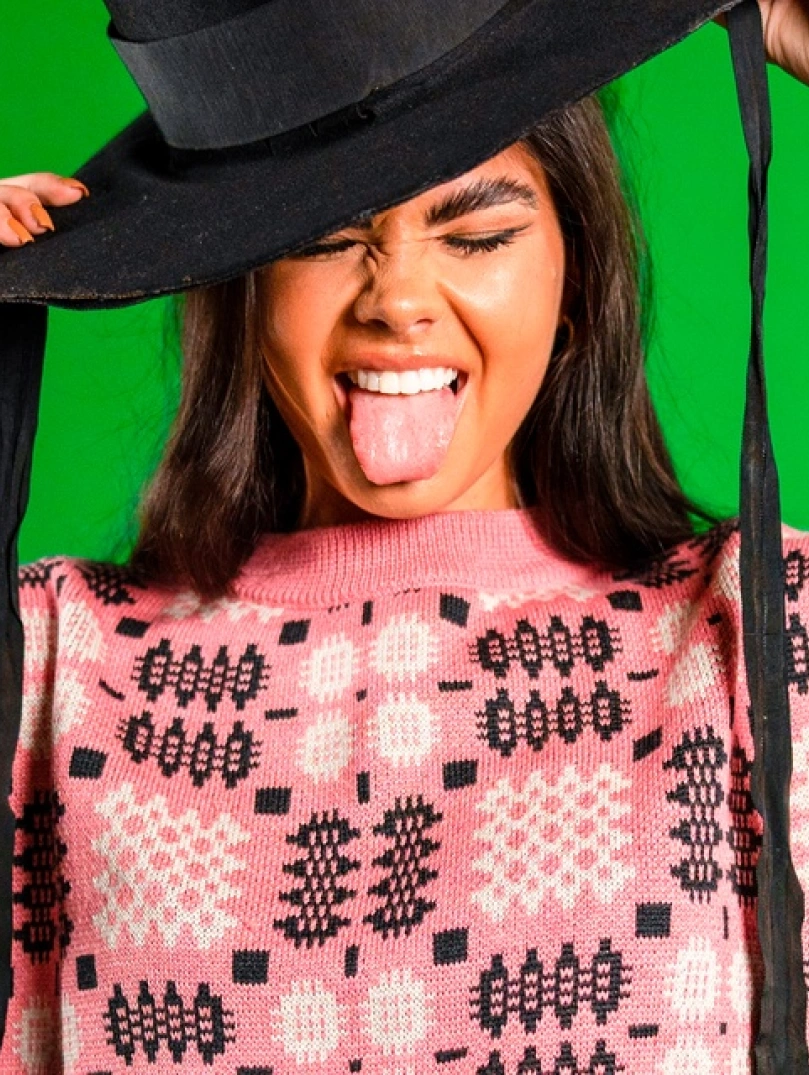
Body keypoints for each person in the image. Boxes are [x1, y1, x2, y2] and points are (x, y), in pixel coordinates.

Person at [1, 2, 809, 1073]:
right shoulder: (55, 664)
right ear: (241, 283)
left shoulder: (759, 629)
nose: (400, 301)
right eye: (326, 237)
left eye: (475, 233)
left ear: (574, 270)